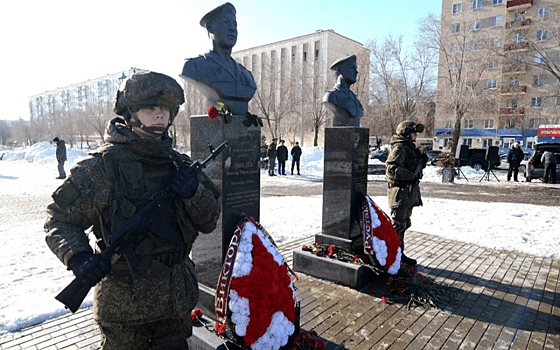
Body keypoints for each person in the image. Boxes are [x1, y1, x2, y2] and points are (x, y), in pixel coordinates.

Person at [44, 71, 221, 349]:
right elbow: (59, 221)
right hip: (125, 308)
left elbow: (209, 221)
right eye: (150, 109)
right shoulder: (102, 167)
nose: (160, 115)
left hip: (175, 301)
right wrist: (78, 257)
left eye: (165, 109)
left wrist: (192, 193)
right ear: (131, 113)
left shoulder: (179, 165)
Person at [180, 2, 256, 116]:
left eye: (235, 24)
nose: (232, 28)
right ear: (210, 27)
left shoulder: (246, 75)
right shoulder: (194, 66)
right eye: (226, 22)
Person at [385, 121, 428, 266]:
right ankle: (393, 255)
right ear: (406, 134)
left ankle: (398, 253)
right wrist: (411, 175)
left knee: (404, 224)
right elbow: (391, 170)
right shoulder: (399, 148)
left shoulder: (409, 148)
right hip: (400, 193)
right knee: (398, 225)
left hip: (407, 193)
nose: (415, 136)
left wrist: (421, 162)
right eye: (413, 133)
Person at [322, 55, 363, 127]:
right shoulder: (332, 96)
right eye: (352, 68)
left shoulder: (355, 99)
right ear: (340, 70)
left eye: (356, 68)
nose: (356, 72)